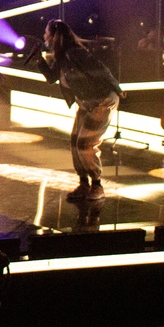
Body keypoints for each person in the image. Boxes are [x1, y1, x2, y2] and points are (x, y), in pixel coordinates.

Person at [34, 20, 123, 202]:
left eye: (46, 33)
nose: (44, 36)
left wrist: (117, 87)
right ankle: (84, 184)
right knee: (75, 142)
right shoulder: (61, 57)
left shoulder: (75, 53)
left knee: (85, 144)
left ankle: (97, 185)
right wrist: (38, 59)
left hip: (102, 101)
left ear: (54, 36)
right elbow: (51, 78)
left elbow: (102, 70)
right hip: (86, 103)